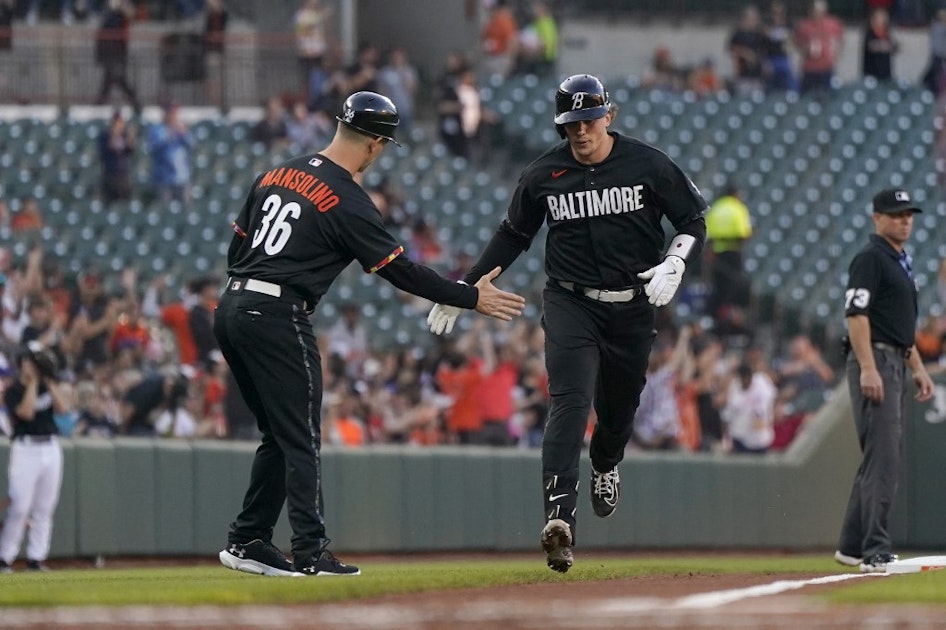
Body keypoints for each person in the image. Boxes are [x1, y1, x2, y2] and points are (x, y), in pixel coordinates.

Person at [213, 90, 525, 578]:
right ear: (377, 144)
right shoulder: (349, 200)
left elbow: (237, 247)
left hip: (233, 304)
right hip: (276, 313)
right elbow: (400, 273)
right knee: (299, 436)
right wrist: (469, 296)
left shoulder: (274, 174)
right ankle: (311, 550)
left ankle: (249, 539)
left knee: (279, 432)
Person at [426, 74, 707, 573]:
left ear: (608, 116)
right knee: (569, 402)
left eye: (587, 120)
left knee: (618, 412)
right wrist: (465, 289)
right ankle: (560, 520)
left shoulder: (648, 163)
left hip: (632, 304)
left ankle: (606, 462)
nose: (580, 131)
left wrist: (677, 260)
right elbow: (512, 235)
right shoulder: (542, 175)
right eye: (570, 123)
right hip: (570, 302)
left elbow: (693, 219)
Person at [835, 188, 934, 574]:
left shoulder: (899, 260)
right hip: (875, 358)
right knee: (884, 460)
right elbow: (856, 314)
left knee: (880, 457)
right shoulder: (871, 258)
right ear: (877, 218)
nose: (904, 220)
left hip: (894, 355)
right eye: (896, 214)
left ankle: (850, 546)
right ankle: (875, 550)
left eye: (908, 214)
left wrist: (919, 368)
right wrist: (869, 366)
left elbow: (898, 327)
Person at [0, 342, 69, 573]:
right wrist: (32, 382)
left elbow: (63, 409)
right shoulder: (13, 389)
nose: (35, 365)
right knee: (19, 506)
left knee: (45, 507)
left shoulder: (48, 386)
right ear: (23, 362)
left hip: (50, 447)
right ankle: (5, 558)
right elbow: (26, 412)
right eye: (32, 360)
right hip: (25, 448)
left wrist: (48, 380)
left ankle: (36, 558)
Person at [704, 183, 753, 329]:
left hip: (716, 253)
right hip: (733, 252)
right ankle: (727, 318)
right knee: (732, 287)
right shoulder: (738, 208)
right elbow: (744, 234)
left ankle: (714, 317)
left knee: (718, 287)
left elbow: (707, 233)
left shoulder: (716, 208)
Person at [95, 0, 140, 112]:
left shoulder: (119, 18)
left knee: (117, 79)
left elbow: (131, 16)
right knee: (110, 79)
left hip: (117, 53)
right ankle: (100, 102)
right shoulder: (111, 17)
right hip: (110, 52)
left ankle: (135, 103)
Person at [793, 0, 843, 96]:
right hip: (809, 67)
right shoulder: (804, 25)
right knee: (806, 95)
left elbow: (840, 39)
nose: (818, 13)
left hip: (826, 67)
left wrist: (836, 54)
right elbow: (795, 42)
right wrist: (804, 49)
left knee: (826, 96)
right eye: (815, 11)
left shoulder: (832, 23)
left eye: (820, 10)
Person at [99, 108, 137, 205]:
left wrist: (131, 137)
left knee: (125, 204)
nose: (118, 125)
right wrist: (115, 134)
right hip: (110, 176)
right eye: (116, 122)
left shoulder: (125, 136)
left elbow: (130, 151)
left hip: (124, 177)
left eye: (120, 122)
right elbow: (108, 147)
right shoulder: (104, 136)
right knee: (110, 204)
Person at [862, 6, 898, 82]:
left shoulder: (886, 33)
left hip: (885, 74)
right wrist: (885, 46)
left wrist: (885, 46)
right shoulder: (870, 32)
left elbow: (895, 46)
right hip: (871, 74)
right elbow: (872, 46)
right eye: (881, 17)